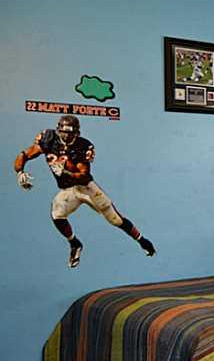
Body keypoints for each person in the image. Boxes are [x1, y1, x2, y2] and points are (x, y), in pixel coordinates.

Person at [14, 115, 156, 268]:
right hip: (68, 190)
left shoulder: (83, 146)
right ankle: (75, 244)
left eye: (70, 133)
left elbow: (84, 176)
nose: (67, 136)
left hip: (87, 188)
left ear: (77, 133)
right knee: (57, 215)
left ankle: (142, 240)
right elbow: (26, 154)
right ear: (58, 130)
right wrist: (20, 171)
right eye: (64, 132)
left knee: (116, 219)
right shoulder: (48, 138)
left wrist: (66, 172)